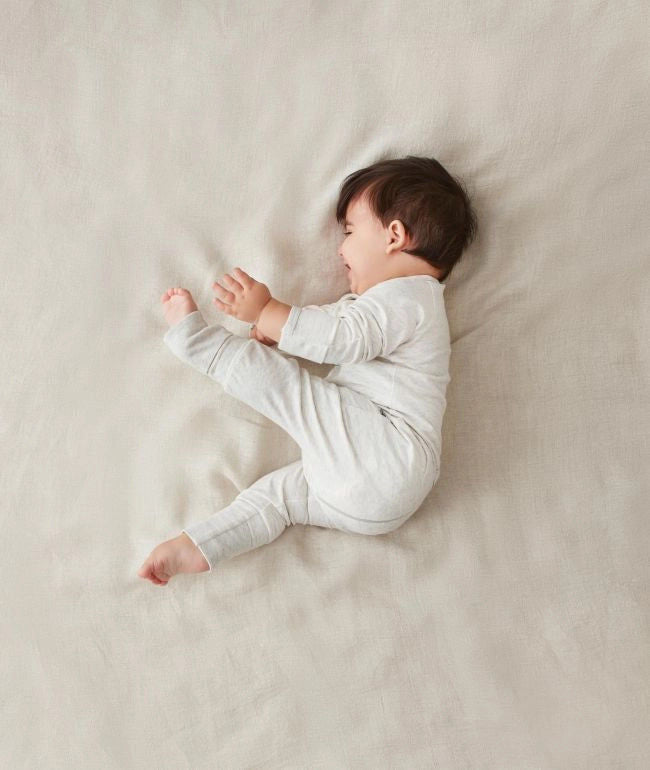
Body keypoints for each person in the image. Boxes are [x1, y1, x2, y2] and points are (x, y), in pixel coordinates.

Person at [137, 155, 477, 585]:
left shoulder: (410, 297)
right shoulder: (386, 305)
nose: (340, 248)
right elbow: (332, 327)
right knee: (278, 499)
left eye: (350, 232)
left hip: (390, 453)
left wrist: (268, 310)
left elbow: (344, 338)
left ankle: (197, 343)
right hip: (378, 500)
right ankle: (203, 545)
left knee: (289, 389)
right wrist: (278, 331)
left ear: (394, 236)